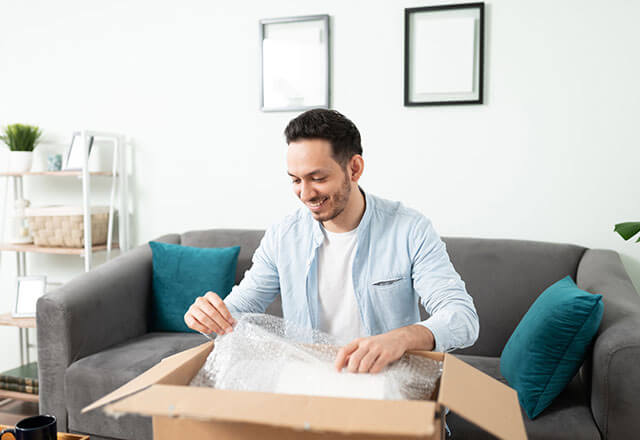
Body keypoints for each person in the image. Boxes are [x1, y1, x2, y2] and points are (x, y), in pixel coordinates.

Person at [184, 109, 479, 374]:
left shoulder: (409, 229)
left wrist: (402, 338)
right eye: (296, 180)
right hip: (310, 387)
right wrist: (209, 314)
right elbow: (240, 308)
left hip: (388, 385)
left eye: (317, 178)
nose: (306, 194)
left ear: (354, 169)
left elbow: (463, 318)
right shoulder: (283, 236)